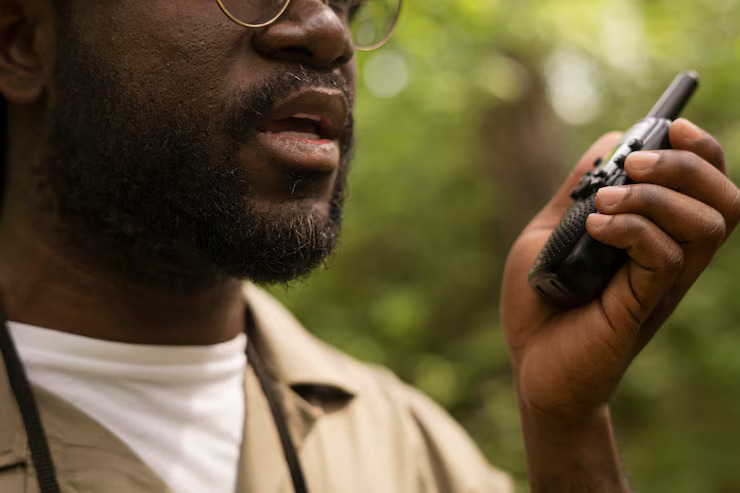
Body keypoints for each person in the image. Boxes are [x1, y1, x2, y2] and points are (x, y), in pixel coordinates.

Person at [0, 0, 737, 492]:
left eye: (349, 1)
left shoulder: (404, 447)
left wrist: (567, 427)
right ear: (23, 41)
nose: (329, 32)